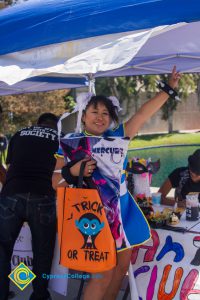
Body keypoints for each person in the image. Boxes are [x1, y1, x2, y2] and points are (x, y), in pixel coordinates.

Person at [52, 66, 180, 300]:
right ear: (83, 115)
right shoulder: (70, 142)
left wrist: (168, 90)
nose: (100, 117)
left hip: (123, 211)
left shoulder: (119, 136)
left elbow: (142, 114)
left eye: (106, 113)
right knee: (102, 274)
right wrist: (73, 171)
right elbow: (55, 183)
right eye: (95, 111)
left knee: (120, 271)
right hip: (92, 215)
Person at [0, 113, 59, 300]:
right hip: (43, 195)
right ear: (56, 126)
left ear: (38, 123)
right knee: (42, 252)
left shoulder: (20, 133)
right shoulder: (59, 138)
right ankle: (40, 295)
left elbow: (9, 166)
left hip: (12, 195)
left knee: (2, 250)